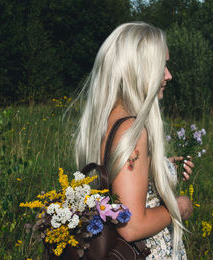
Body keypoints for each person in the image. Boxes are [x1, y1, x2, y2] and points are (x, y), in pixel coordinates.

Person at [75, 22, 194, 259]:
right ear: (138, 69)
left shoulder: (107, 119)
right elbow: (132, 226)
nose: (168, 75)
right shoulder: (131, 130)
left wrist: (160, 166)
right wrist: (179, 207)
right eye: (162, 66)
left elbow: (121, 182)